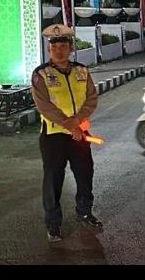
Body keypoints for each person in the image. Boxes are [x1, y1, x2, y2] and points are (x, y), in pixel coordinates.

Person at [31, 23, 103, 243]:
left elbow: (91, 99)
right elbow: (44, 105)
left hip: (80, 135)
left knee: (85, 174)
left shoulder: (82, 71)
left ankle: (85, 212)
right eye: (54, 47)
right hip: (53, 136)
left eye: (63, 46)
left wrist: (77, 122)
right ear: (49, 49)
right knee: (53, 180)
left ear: (70, 48)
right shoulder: (41, 74)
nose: (59, 50)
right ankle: (53, 225)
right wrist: (69, 124)